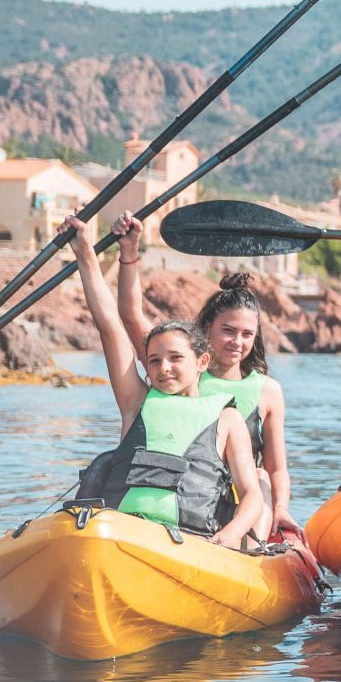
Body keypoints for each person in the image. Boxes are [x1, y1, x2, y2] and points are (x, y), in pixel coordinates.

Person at [59, 214, 268, 548]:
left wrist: (229, 535)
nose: (163, 368)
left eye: (175, 359)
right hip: (121, 539)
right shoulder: (136, 401)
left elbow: (251, 495)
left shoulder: (227, 418)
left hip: (192, 544)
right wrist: (85, 253)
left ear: (202, 362)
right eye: (153, 360)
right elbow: (111, 325)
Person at [113, 213, 296, 536]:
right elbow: (130, 316)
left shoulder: (267, 390)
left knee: (261, 478)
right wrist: (129, 254)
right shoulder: (177, 369)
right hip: (184, 489)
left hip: (238, 500)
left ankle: (254, 556)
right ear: (207, 328)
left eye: (246, 334)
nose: (237, 342)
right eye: (228, 330)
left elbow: (276, 466)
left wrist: (281, 510)